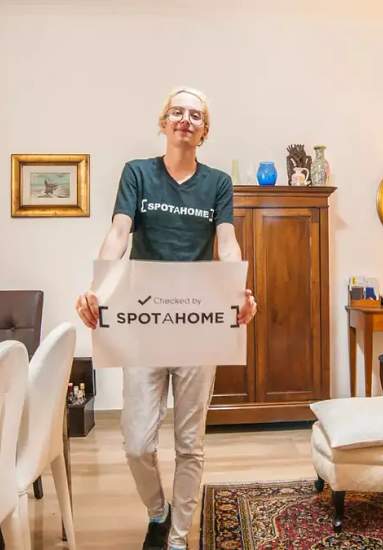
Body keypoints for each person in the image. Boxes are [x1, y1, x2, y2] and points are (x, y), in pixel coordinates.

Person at [75, 86, 257, 550]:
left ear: (204, 130)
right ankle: (158, 511)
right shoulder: (137, 173)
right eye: (178, 112)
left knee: (190, 444)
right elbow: (119, 232)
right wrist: (99, 286)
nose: (185, 120)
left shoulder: (217, 183)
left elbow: (227, 241)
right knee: (137, 443)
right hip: (144, 323)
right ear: (164, 121)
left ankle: (177, 539)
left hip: (199, 323)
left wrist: (236, 288)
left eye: (195, 115)